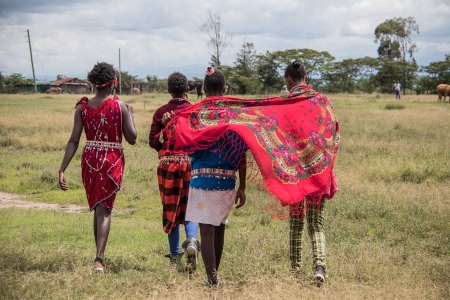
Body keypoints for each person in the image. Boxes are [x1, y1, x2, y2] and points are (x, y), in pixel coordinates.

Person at [58, 62, 137, 273]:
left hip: (90, 160)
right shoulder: (120, 107)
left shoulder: (81, 108)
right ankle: (99, 259)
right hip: (111, 160)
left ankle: (98, 257)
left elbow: (73, 141)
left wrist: (62, 169)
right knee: (104, 210)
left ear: (93, 84)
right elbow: (132, 139)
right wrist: (131, 114)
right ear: (114, 82)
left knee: (98, 206)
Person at [184, 67, 248, 285]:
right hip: (227, 181)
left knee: (207, 231)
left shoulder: (196, 114)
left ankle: (212, 280)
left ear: (204, 88)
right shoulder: (235, 116)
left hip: (202, 181)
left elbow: (186, 143)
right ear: (224, 88)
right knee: (219, 228)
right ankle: (214, 275)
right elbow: (242, 154)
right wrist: (243, 186)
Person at [284, 61, 338, 285]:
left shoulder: (286, 102)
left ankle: (295, 271)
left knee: (296, 221)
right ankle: (320, 268)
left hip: (296, 173)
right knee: (316, 224)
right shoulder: (323, 101)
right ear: (305, 78)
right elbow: (334, 134)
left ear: (288, 81)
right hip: (318, 171)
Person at [149, 72, 200, 272]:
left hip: (168, 165)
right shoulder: (194, 110)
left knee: (171, 210)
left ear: (169, 90)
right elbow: (200, 139)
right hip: (190, 164)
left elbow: (153, 141)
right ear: (187, 89)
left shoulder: (161, 112)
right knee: (190, 208)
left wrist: (165, 129)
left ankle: (174, 255)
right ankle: (193, 242)